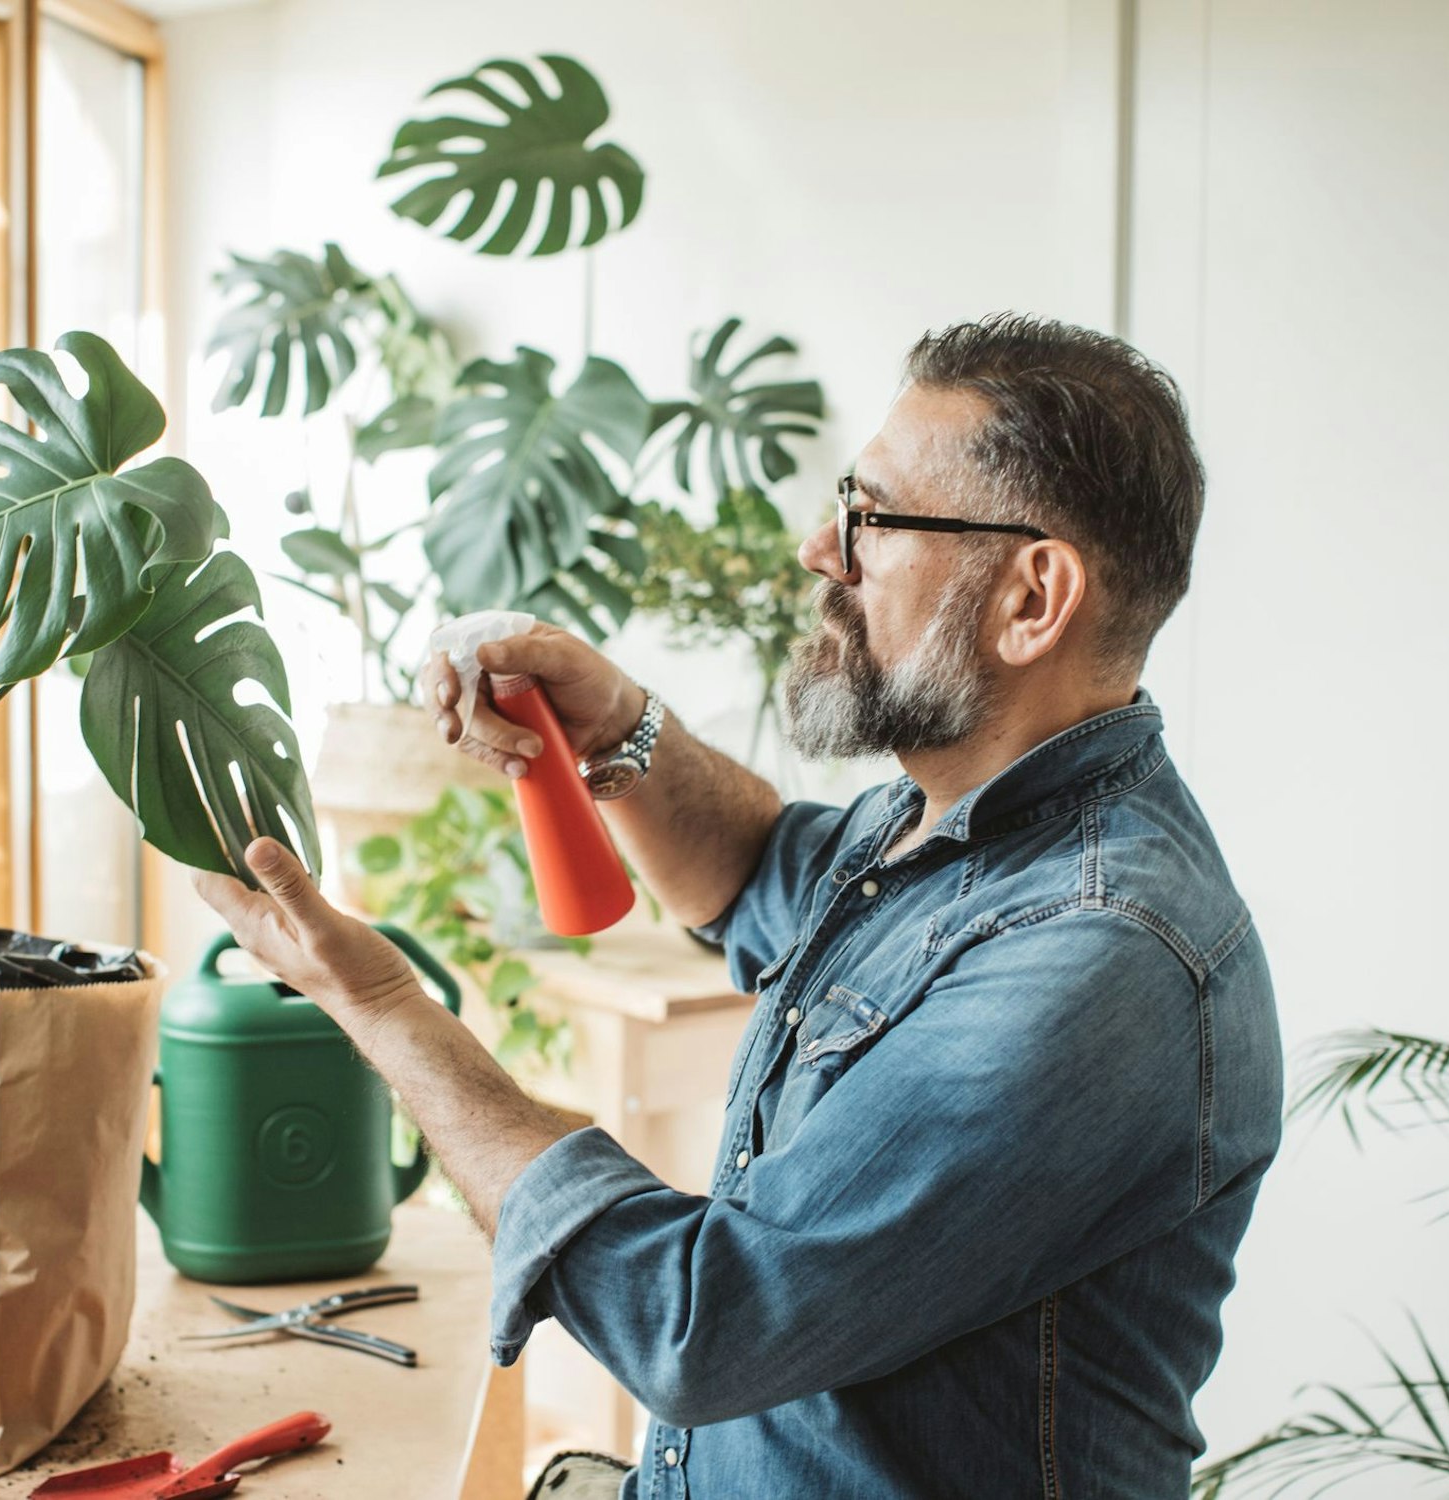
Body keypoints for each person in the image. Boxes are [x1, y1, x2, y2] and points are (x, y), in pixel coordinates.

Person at [194, 314, 1282, 1499]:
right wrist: (618, 727)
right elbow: (760, 870)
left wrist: (379, 1002)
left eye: (874, 517)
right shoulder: (939, 823)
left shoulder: (1093, 958)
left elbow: (700, 1321)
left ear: (1031, 598)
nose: (823, 548)